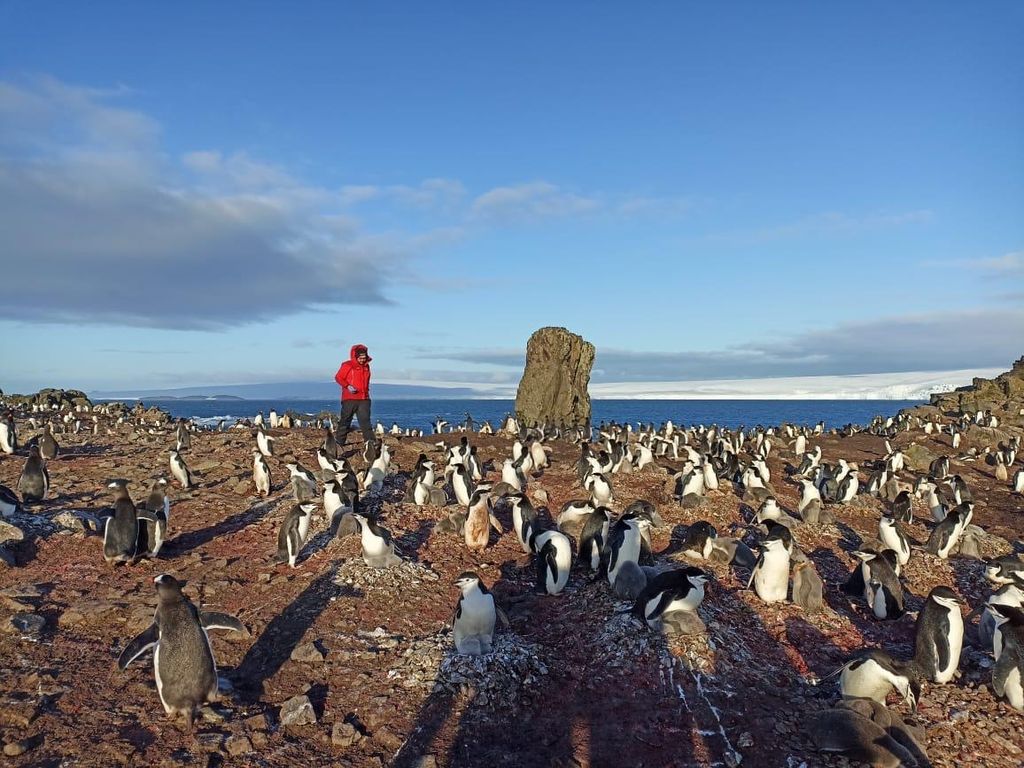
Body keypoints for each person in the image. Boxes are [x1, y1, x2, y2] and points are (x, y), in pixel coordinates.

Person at [334, 344, 375, 447]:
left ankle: (370, 443)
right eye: (360, 358)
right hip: (349, 398)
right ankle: (339, 442)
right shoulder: (347, 365)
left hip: (364, 398)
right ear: (356, 356)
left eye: (364, 358)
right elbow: (338, 377)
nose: (362, 360)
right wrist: (347, 386)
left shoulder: (366, 367)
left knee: (365, 421)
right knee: (345, 420)